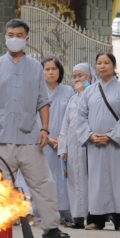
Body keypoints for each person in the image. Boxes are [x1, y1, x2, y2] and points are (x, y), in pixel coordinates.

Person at [0, 19, 69, 238]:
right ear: (5, 37)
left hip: (30, 137)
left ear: (27, 38)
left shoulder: (35, 67)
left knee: (43, 183)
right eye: (11, 34)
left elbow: (43, 101)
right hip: (1, 138)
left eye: (19, 34)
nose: (14, 38)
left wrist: (44, 129)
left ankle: (51, 226)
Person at [77, 52, 120, 231]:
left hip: (115, 143)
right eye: (99, 63)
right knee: (96, 180)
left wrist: (112, 135)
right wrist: (90, 135)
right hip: (94, 143)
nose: (102, 66)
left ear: (114, 66)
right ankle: (96, 219)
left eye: (106, 63)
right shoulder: (89, 92)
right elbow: (81, 117)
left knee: (117, 179)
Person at [58, 62, 96, 229]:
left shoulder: (95, 96)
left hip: (88, 146)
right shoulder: (73, 99)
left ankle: (92, 217)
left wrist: (85, 93)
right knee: (74, 182)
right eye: (74, 77)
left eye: (81, 76)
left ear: (89, 77)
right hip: (73, 148)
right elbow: (65, 125)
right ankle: (77, 218)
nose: (77, 79)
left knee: (89, 182)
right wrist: (63, 148)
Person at [40, 56, 74, 226]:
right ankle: (42, 215)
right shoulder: (36, 92)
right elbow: (33, 118)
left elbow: (72, 118)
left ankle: (66, 214)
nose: (50, 72)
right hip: (43, 143)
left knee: (63, 179)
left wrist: (63, 139)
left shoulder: (68, 92)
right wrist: (47, 137)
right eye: (47, 69)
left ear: (60, 71)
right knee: (44, 178)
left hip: (64, 144)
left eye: (54, 69)